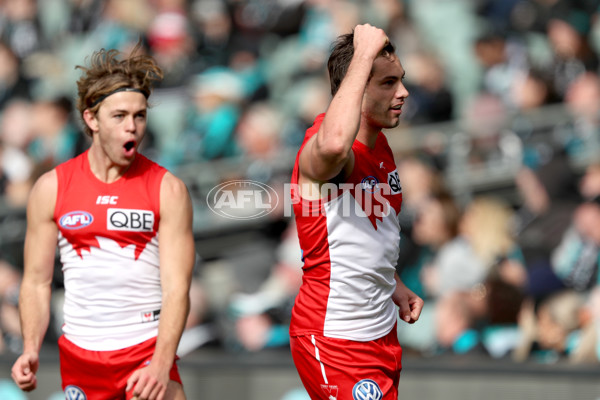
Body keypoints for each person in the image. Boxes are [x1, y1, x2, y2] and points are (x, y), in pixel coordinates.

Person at [10, 43, 195, 400]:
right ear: (91, 119)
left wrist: (161, 362)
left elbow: (177, 289)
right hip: (81, 355)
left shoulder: (167, 189)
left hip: (144, 352)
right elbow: (35, 282)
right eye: (119, 116)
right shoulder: (52, 187)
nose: (132, 128)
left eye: (139, 116)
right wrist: (30, 346)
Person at [289, 24, 424, 400]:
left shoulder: (380, 148)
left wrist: (393, 284)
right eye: (387, 83)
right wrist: (363, 55)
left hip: (379, 334)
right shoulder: (323, 147)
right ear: (355, 86)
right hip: (335, 337)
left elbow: (359, 234)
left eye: (402, 80)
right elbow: (334, 145)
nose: (403, 92)